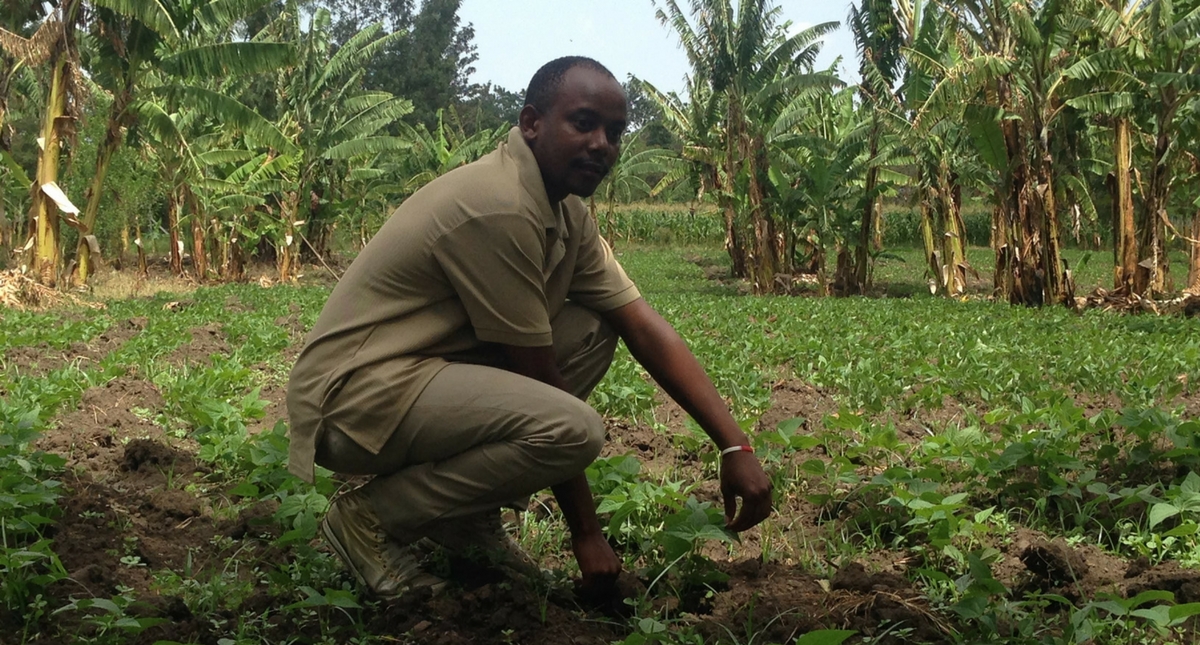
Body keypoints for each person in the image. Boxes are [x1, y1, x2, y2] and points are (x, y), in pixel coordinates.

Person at [286, 56, 772, 601]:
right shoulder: (501, 206)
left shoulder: (565, 210)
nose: (601, 144)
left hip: (415, 377)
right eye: (583, 123)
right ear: (531, 122)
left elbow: (640, 324)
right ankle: (370, 518)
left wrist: (735, 447)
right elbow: (538, 379)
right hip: (354, 401)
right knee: (572, 429)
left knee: (591, 328)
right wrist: (586, 533)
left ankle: (462, 519)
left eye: (614, 132)